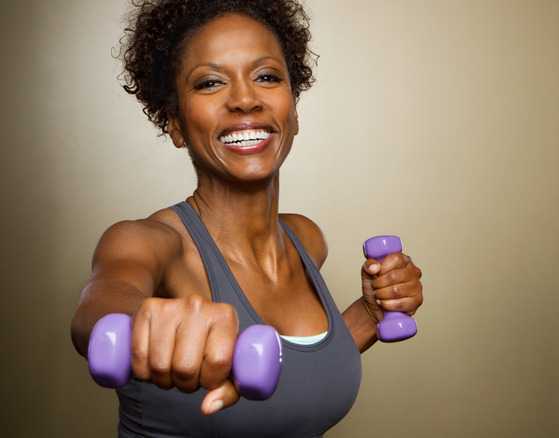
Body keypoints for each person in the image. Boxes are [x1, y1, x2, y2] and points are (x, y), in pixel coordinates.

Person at [69, 0, 423, 436]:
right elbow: (98, 309)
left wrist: (369, 314)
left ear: (293, 113)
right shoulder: (148, 241)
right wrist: (144, 324)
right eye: (211, 82)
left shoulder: (305, 239)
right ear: (175, 124)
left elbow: (293, 375)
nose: (244, 99)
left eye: (267, 77)